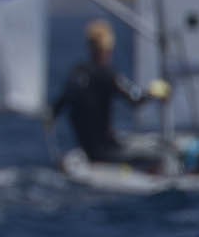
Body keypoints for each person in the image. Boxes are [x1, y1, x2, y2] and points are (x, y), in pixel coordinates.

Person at [48, 19, 169, 166]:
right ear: (108, 48)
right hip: (105, 152)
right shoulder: (108, 74)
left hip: (87, 150)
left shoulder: (76, 73)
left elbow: (55, 110)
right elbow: (135, 100)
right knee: (161, 155)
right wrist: (155, 92)